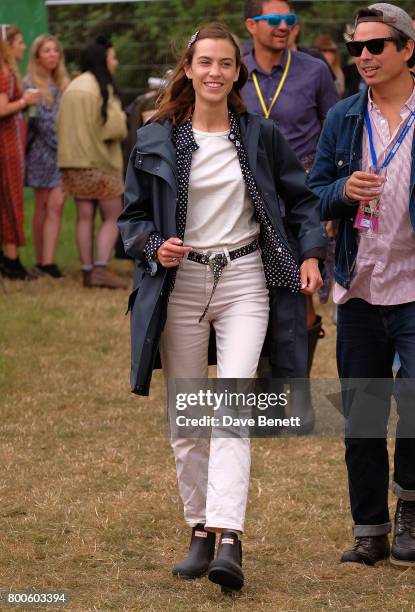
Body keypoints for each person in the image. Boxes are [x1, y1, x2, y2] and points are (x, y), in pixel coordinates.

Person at [118, 23, 323, 594]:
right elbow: (130, 220)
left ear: (238, 72)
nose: (213, 72)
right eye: (203, 62)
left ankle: (229, 537)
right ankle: (199, 531)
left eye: (224, 64)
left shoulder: (259, 134)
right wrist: (150, 245)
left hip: (244, 280)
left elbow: (300, 198)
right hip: (179, 284)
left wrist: (310, 252)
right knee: (189, 421)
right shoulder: (154, 137)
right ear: (188, 68)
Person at [309, 3, 415, 567]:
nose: (365, 57)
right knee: (364, 419)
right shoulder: (344, 118)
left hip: (414, 288)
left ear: (407, 50)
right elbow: (313, 191)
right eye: (357, 49)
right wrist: (343, 191)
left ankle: (411, 514)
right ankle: (369, 530)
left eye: (376, 46)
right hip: (357, 287)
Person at [242, 0, 335, 426]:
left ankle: (296, 396)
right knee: (252, 294)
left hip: (300, 201)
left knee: (303, 294)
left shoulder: (313, 71)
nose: (283, 27)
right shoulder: (234, 69)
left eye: (290, 21)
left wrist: (326, 193)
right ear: (251, 25)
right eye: (273, 20)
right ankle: (264, 398)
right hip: (245, 202)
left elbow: (334, 131)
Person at [57, 36, 128, 289]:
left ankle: (87, 270)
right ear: (102, 60)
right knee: (114, 215)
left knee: (84, 216)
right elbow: (116, 129)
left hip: (72, 162)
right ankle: (100, 268)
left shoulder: (72, 87)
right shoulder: (102, 87)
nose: (116, 63)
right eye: (113, 57)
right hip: (100, 162)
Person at [25, 34, 69, 278]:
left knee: (57, 205)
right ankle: (40, 259)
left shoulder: (65, 83)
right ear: (37, 55)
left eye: (55, 50)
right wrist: (60, 145)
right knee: (41, 206)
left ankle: (48, 261)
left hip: (62, 154)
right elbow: (40, 122)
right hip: (41, 153)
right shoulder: (30, 84)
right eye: (47, 51)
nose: (52, 55)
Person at [0, 25, 40, 280]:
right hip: (7, 144)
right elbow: (2, 108)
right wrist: (25, 101)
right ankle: (11, 260)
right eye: (19, 42)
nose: (23, 47)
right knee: (11, 196)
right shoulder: (4, 73)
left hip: (12, 141)